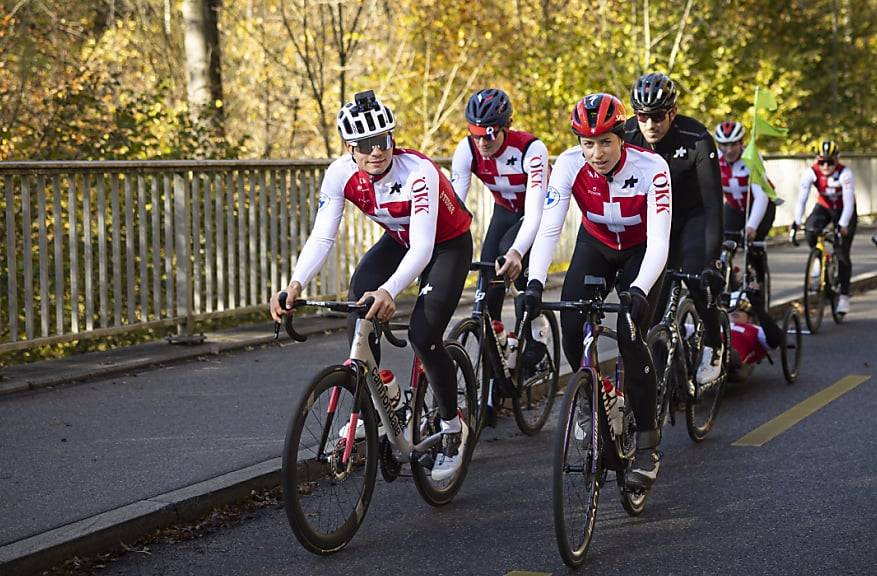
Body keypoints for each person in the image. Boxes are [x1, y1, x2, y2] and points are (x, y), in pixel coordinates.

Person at [269, 90, 474, 481]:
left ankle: (452, 428)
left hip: (446, 244)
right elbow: (323, 236)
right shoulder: (340, 174)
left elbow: (424, 246)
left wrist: (390, 291)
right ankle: (386, 395)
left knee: (424, 334)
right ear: (350, 148)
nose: (375, 151)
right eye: (364, 145)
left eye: (382, 140)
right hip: (398, 240)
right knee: (356, 301)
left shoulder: (418, 172)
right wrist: (295, 284)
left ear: (392, 138)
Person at [524, 93, 671, 491]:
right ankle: (595, 402)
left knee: (629, 334)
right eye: (587, 143)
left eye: (605, 141)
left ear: (622, 137)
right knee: (571, 327)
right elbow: (551, 228)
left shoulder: (652, 167)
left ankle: (647, 444)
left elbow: (660, 242)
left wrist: (639, 289)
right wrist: (535, 281)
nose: (596, 152)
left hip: (641, 250)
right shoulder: (570, 164)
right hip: (597, 245)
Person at [623, 72, 727, 387]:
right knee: (648, 301)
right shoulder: (626, 134)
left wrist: (712, 261)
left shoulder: (696, 139)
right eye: (642, 116)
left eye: (657, 116)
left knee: (697, 276)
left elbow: (712, 205)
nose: (650, 124)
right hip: (653, 221)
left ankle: (713, 341)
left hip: (690, 217)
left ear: (672, 113)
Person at [450, 88, 549, 331]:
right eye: (476, 135)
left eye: (489, 136)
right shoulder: (467, 149)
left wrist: (517, 251)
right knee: (488, 279)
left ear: (507, 126)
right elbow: (454, 207)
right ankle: (497, 346)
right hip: (504, 211)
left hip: (536, 211)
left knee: (509, 254)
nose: (482, 143)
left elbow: (535, 212)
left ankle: (536, 331)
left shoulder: (531, 149)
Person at [791, 140, 857, 316]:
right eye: (822, 162)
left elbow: (849, 202)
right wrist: (797, 221)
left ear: (837, 160)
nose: (826, 166)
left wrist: (843, 224)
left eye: (830, 162)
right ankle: (819, 258)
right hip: (825, 207)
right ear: (817, 160)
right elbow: (802, 198)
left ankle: (843, 296)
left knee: (842, 252)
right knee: (811, 228)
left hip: (844, 210)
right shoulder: (811, 172)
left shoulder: (845, 173)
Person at [714, 120, 776, 293]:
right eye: (724, 145)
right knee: (721, 246)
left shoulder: (752, 158)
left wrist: (752, 226)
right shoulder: (714, 160)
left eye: (733, 144)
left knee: (753, 246)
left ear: (741, 143)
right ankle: (731, 283)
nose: (729, 150)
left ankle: (760, 285)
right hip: (734, 207)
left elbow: (761, 196)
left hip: (760, 206)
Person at [724, 288, 783, 381]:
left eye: (742, 308)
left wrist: (758, 307)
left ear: (750, 317)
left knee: (725, 351)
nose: (735, 310)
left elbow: (775, 340)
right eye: (731, 307)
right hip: (708, 346)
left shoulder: (756, 330)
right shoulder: (718, 324)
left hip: (731, 355)